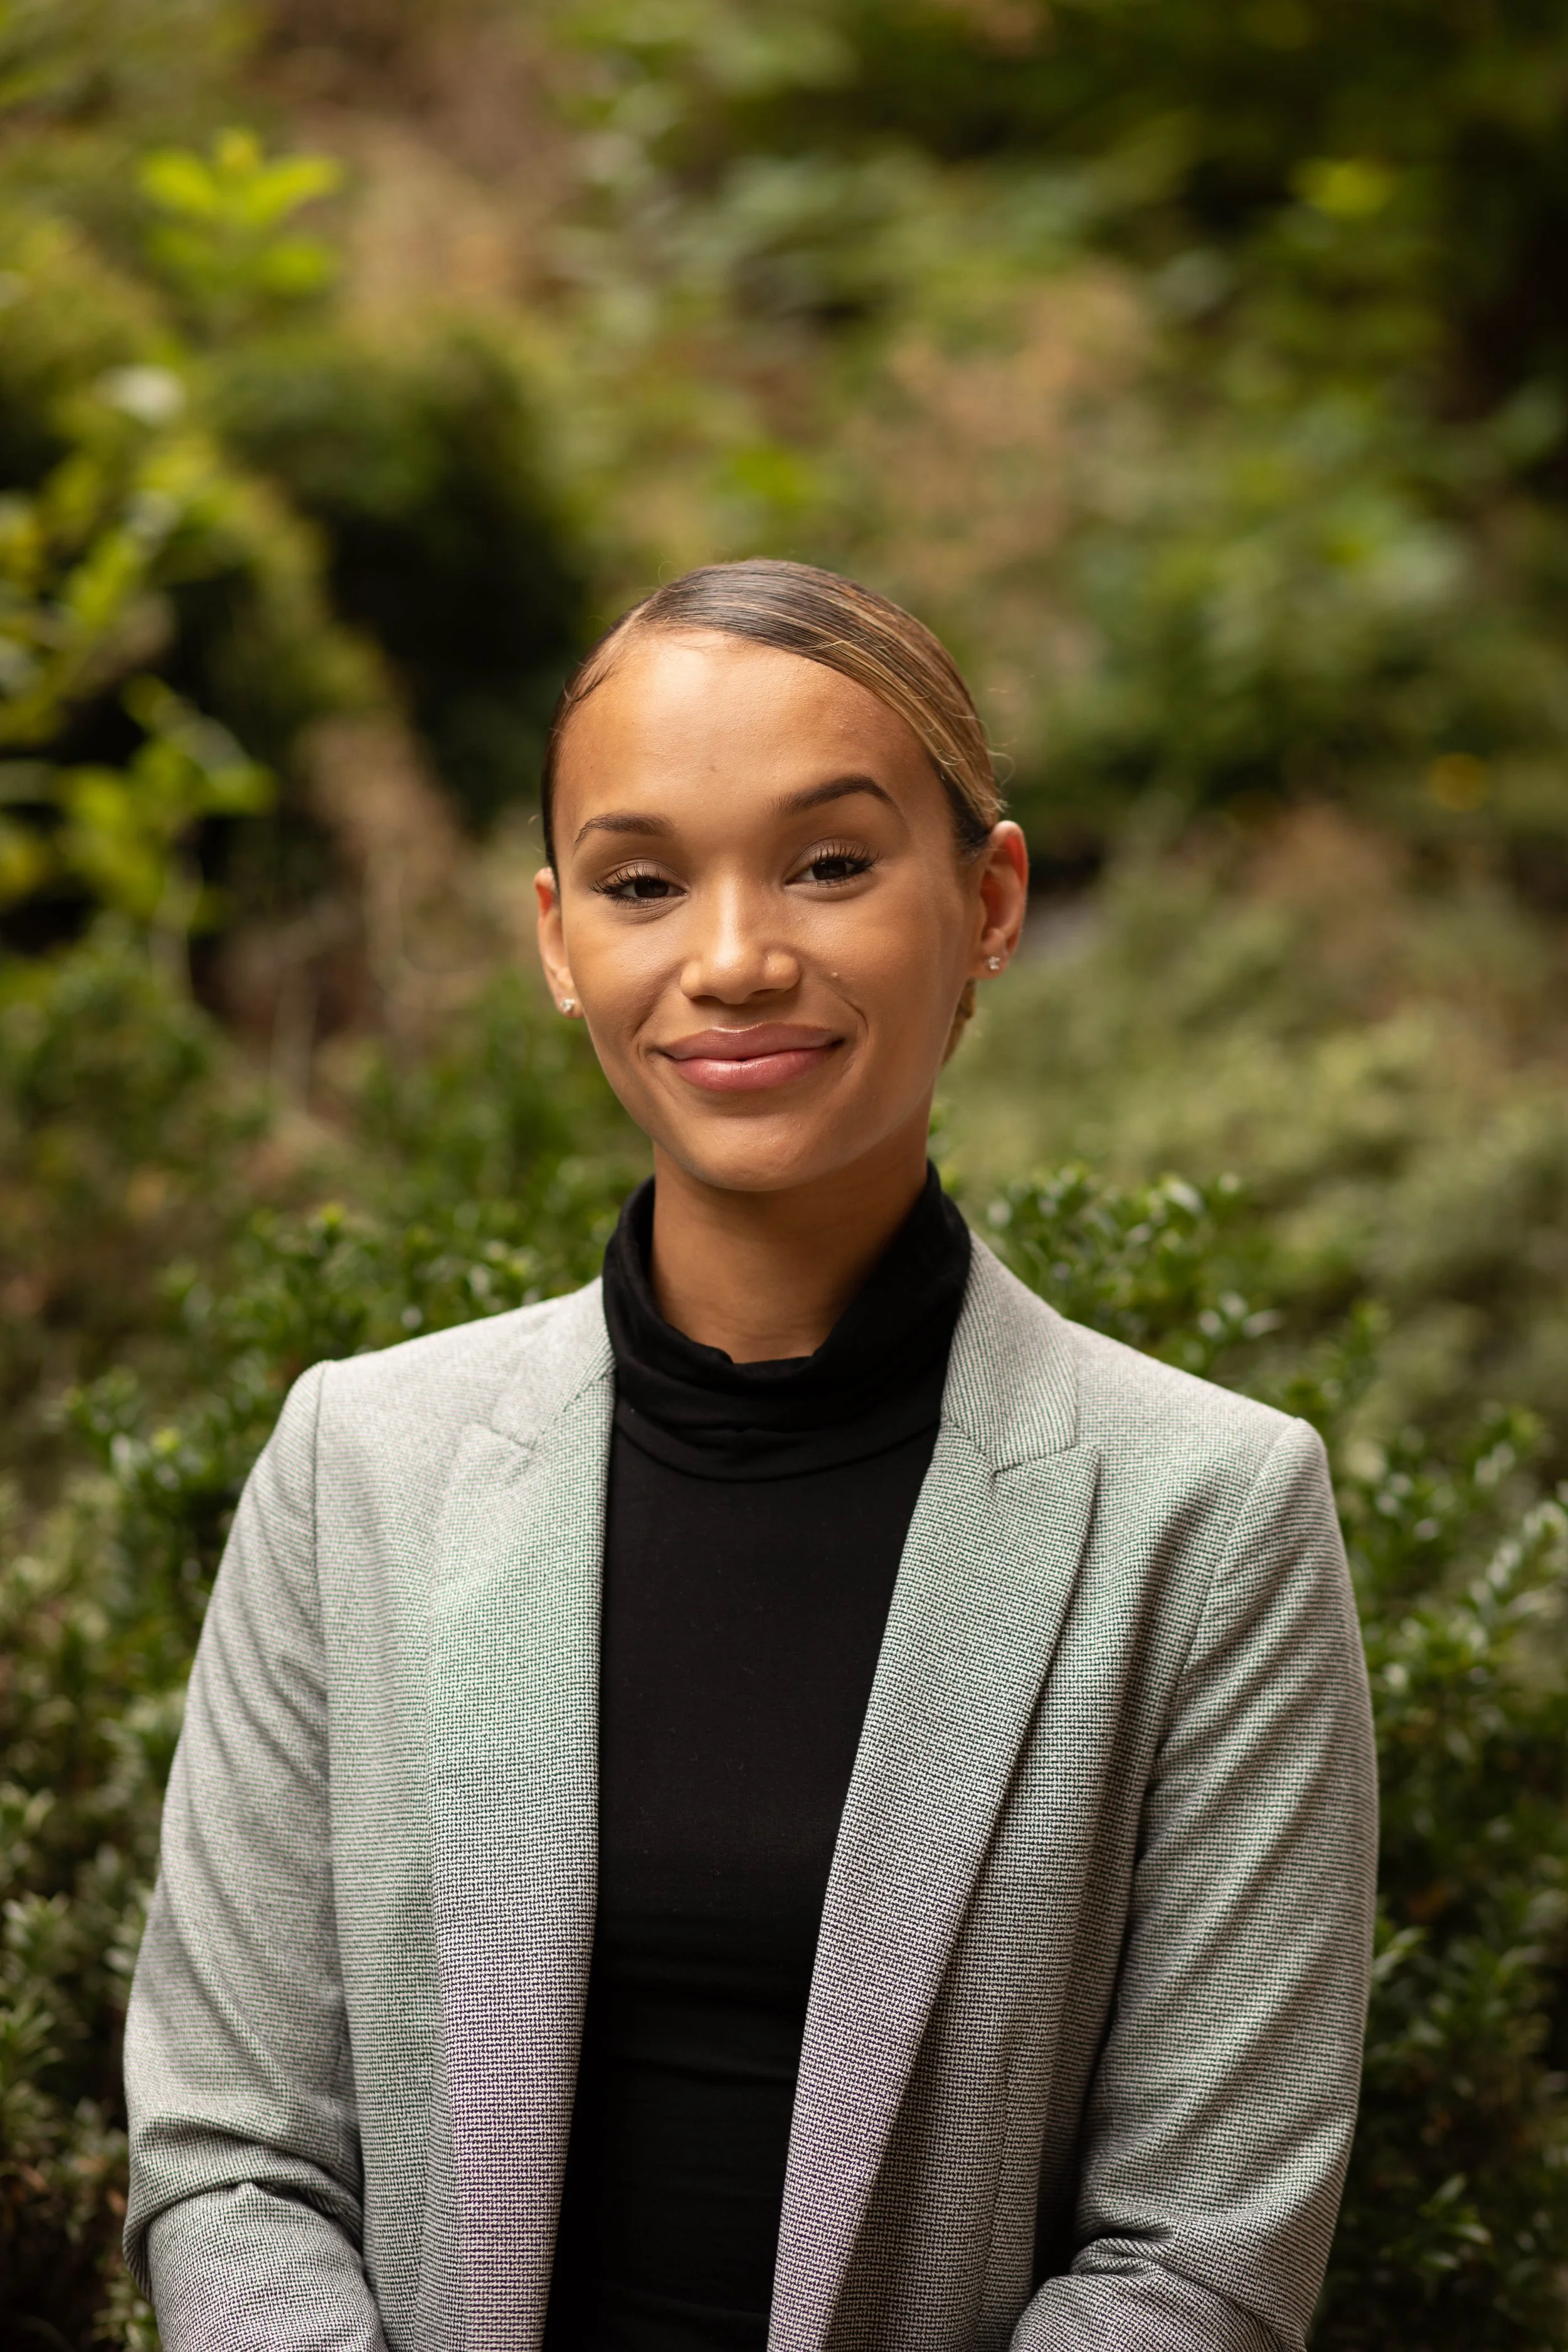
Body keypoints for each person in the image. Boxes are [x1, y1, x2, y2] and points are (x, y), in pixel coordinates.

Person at [124, 559, 1377, 2352]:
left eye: (829, 862)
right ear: (559, 940)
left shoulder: (1204, 1514)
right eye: (643, 884)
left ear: (990, 898)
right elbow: (231, 2155)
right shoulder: (360, 1463)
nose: (730, 959)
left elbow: (1202, 2252)